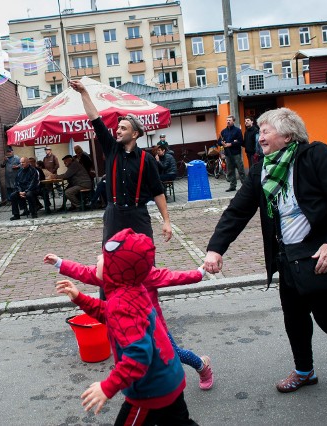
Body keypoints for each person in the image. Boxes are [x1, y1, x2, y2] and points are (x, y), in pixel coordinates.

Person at [204, 107, 327, 397]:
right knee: (294, 315)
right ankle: (304, 370)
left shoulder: (316, 156)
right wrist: (215, 249)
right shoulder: (262, 169)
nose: (259, 136)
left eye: (266, 131)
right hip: (291, 255)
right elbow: (237, 211)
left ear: (288, 136)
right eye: (259, 131)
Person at [55, 229, 197, 424]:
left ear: (115, 269)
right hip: (170, 378)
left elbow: (138, 357)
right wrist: (80, 298)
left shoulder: (121, 303)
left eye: (104, 256)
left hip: (150, 391)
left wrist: (108, 387)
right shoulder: (133, 289)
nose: (98, 257)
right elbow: (109, 314)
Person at [45, 251, 213, 390]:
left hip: (155, 329)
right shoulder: (109, 276)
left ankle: (202, 366)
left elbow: (177, 277)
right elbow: (83, 271)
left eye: (103, 257)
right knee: (137, 359)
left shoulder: (148, 275)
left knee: (173, 354)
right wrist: (59, 262)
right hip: (129, 329)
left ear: (120, 266)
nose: (97, 258)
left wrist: (200, 271)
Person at [70, 79, 172, 246]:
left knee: (145, 260)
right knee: (110, 262)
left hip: (138, 213)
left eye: (123, 128)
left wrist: (166, 221)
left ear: (134, 134)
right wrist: (83, 92)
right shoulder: (112, 149)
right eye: (118, 127)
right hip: (114, 214)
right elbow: (95, 119)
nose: (117, 130)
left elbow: (158, 192)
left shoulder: (146, 159)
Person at [219, 115, 245, 192]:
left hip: (236, 153)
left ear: (233, 121)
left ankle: (245, 186)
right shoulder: (223, 131)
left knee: (240, 170)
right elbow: (219, 141)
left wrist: (231, 144)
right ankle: (232, 186)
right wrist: (222, 143)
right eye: (227, 120)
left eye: (229, 120)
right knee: (230, 170)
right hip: (227, 154)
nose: (228, 121)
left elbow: (240, 141)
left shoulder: (237, 131)